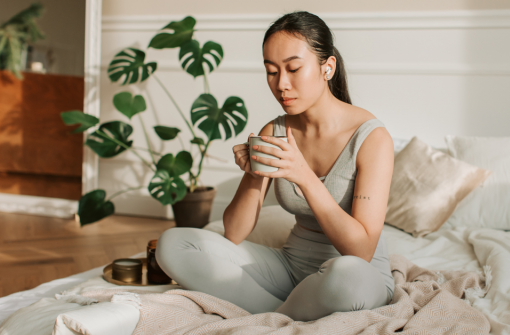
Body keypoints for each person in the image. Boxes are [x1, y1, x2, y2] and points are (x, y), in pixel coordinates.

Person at [156, 11, 395, 322]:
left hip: (353, 275)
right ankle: (282, 316)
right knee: (173, 244)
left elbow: (361, 251)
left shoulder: (372, 138)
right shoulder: (276, 131)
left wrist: (305, 177)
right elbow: (234, 232)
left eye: (294, 69)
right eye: (271, 71)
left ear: (328, 67)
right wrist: (253, 174)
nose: (282, 84)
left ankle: (266, 317)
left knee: (346, 276)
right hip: (290, 269)